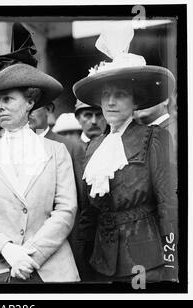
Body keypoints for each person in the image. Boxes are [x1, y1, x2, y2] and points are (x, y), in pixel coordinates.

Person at [0, 23, 79, 283]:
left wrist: (30, 255)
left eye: (7, 99)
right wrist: (8, 251)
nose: (0, 107)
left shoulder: (56, 151)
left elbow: (65, 210)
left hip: (50, 269)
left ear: (30, 102)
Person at [73, 23, 178, 282]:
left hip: (148, 263)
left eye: (119, 95)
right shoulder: (94, 147)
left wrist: (173, 263)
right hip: (102, 262)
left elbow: (169, 206)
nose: (110, 102)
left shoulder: (154, 138)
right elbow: (88, 214)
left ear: (135, 102)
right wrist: (82, 262)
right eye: (105, 95)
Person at [28, 102, 90, 280]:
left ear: (48, 109)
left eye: (35, 108)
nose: (29, 113)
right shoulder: (15, 148)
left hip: (64, 239)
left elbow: (81, 199)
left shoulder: (69, 147)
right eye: (26, 108)